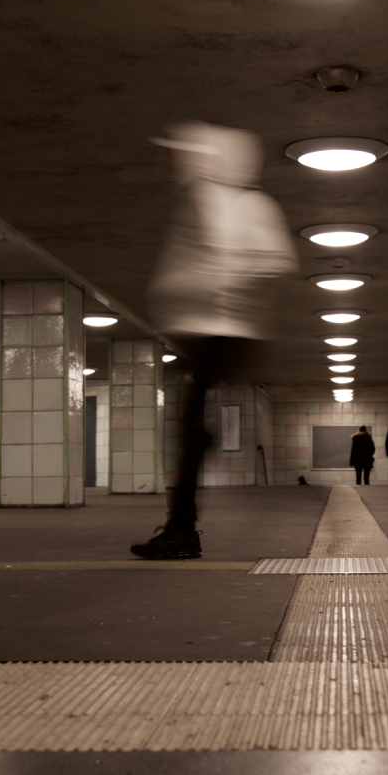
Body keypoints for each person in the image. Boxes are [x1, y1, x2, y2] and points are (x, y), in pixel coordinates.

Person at [130, 121, 298, 560]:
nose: (178, 163)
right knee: (189, 427)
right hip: (205, 329)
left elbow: (277, 260)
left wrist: (219, 282)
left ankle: (182, 530)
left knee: (190, 428)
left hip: (227, 329)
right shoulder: (202, 199)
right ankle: (182, 523)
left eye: (188, 155)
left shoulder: (247, 204)